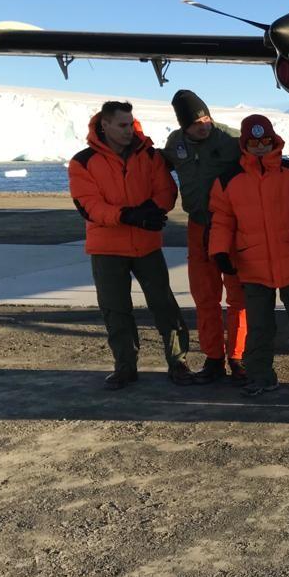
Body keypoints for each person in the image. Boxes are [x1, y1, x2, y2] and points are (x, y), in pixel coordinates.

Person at [68, 100, 193, 389]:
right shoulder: (83, 162)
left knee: (164, 304)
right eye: (122, 125)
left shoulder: (148, 156)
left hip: (146, 245)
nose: (129, 130)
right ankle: (125, 366)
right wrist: (127, 215)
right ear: (105, 125)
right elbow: (88, 205)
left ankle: (178, 361)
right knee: (115, 308)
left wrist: (153, 210)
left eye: (131, 124)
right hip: (107, 249)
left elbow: (165, 189)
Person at [208, 115, 289, 397]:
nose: (260, 146)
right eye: (253, 141)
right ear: (244, 144)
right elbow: (222, 219)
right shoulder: (228, 180)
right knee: (259, 327)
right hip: (252, 265)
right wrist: (220, 251)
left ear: (273, 140)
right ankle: (261, 376)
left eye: (265, 140)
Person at [162, 89, 247, 384]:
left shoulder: (232, 139)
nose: (203, 125)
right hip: (197, 225)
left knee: (238, 294)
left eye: (206, 118)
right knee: (204, 296)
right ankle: (213, 358)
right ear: (184, 125)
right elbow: (158, 169)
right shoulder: (176, 143)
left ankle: (239, 357)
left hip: (230, 225)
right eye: (196, 122)